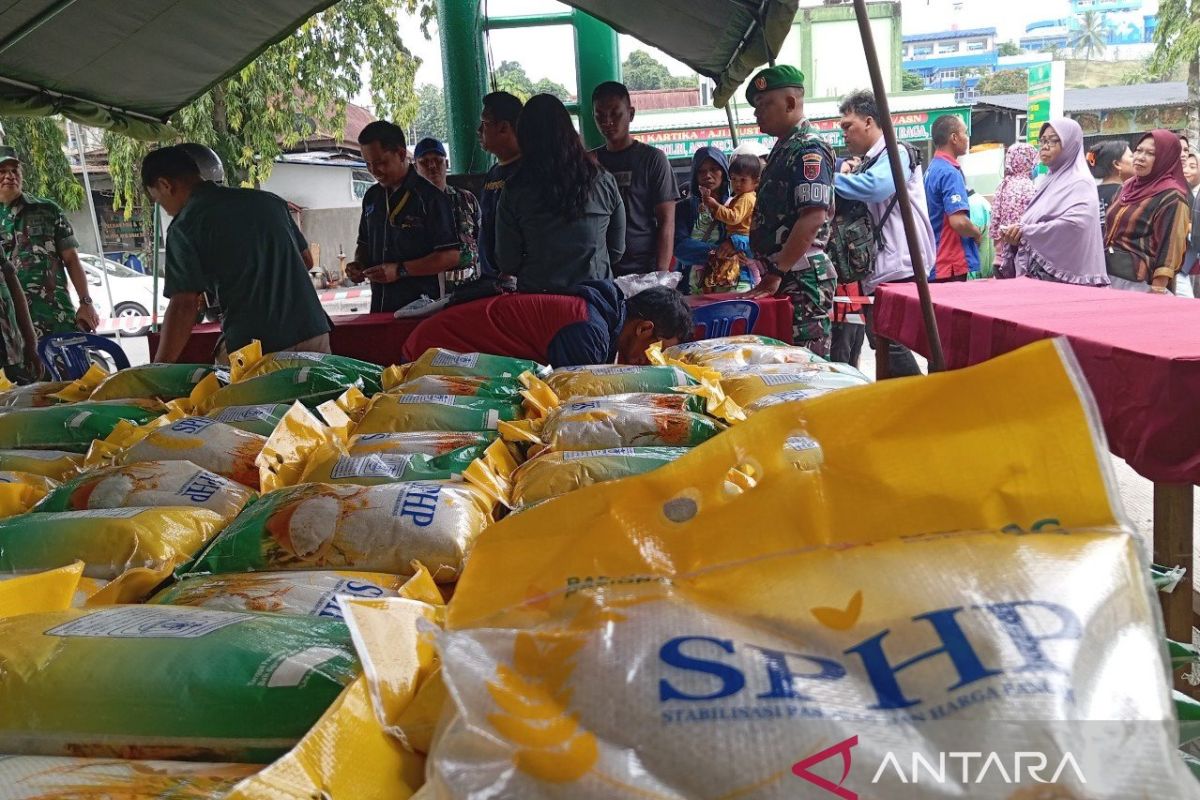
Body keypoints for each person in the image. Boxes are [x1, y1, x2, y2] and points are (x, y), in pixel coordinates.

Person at [141, 145, 331, 362]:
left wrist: (158, 367)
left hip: (257, 346)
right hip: (313, 332)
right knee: (322, 396)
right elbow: (306, 261)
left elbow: (184, 304)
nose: (164, 208)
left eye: (158, 200)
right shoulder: (269, 201)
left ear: (165, 185)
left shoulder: (185, 226)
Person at [832, 88, 935, 377]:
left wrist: (828, 181)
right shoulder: (872, 160)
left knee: (888, 341)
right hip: (885, 267)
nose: (844, 134)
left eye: (847, 126)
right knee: (883, 341)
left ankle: (921, 400)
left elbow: (876, 187)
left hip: (900, 264)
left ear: (868, 121)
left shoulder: (895, 151)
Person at [745, 65, 838, 358]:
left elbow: (812, 217)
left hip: (801, 276)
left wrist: (776, 272)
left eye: (764, 104)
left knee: (806, 368)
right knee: (784, 366)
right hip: (786, 273)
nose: (757, 113)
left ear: (789, 103)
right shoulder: (784, 147)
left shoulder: (808, 148)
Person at [495, 94, 625, 293]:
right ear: (570, 131)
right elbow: (616, 251)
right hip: (595, 302)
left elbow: (507, 262)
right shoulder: (604, 181)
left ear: (524, 137)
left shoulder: (514, 190)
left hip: (538, 305)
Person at [401, 282, 691, 367]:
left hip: (439, 342)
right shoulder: (588, 334)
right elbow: (569, 406)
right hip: (433, 353)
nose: (651, 364)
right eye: (656, 353)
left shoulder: (599, 317)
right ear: (644, 329)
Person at [348, 120, 459, 313]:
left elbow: (450, 256)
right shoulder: (372, 197)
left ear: (400, 154)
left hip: (421, 309)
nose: (374, 171)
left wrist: (400, 270)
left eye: (381, 162)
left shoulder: (429, 197)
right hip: (380, 308)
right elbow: (364, 244)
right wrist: (358, 265)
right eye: (368, 164)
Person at [0, 147, 100, 342]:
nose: (9, 176)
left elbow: (71, 259)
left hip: (54, 314)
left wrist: (86, 303)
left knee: (70, 371)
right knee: (17, 373)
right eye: (2, 171)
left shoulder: (47, 210)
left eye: (14, 170)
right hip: (8, 322)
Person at [997, 119, 1108, 287]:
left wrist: (1026, 233)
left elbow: (1076, 226)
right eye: (1042, 141)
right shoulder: (1049, 180)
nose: (1045, 146)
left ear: (1071, 144)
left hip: (1066, 282)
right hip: (1039, 277)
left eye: (1053, 140)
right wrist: (1017, 234)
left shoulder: (1080, 182)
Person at [591, 81, 678, 275]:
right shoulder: (589, 162)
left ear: (631, 114)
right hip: (600, 270)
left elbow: (667, 221)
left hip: (643, 269)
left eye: (615, 114)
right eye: (600, 116)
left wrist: (660, 276)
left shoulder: (653, 159)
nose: (607, 122)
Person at [1103, 129, 1191, 294]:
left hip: (1138, 284)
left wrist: (1157, 290)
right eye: (1138, 150)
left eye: (1151, 153)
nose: (1140, 157)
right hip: (1108, 275)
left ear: (1166, 159)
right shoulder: (1127, 187)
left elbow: (1170, 249)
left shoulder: (1171, 196)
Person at [413, 137, 481, 293]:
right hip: (429, 290)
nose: (432, 166)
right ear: (415, 167)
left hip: (469, 287)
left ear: (447, 164)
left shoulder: (467, 199)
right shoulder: (411, 205)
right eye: (424, 162)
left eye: (438, 160)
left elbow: (481, 238)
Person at [925, 114, 983, 282]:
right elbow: (958, 222)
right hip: (948, 263)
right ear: (954, 138)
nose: (967, 138)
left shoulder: (932, 169)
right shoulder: (950, 172)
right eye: (965, 133)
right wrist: (976, 233)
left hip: (934, 259)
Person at [477, 91, 523, 277]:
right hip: (492, 277)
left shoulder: (529, 172)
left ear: (504, 128)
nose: (479, 130)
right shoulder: (492, 174)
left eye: (485, 124)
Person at [699, 154, 760, 292]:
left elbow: (733, 217)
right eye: (734, 179)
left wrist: (715, 206)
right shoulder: (738, 197)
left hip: (742, 238)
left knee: (743, 269)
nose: (737, 184)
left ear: (756, 182)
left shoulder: (747, 198)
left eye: (743, 180)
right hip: (736, 239)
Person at [674, 146, 730, 290]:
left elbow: (750, 244)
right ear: (695, 176)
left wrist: (737, 244)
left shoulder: (736, 206)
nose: (708, 175)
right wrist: (719, 252)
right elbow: (680, 247)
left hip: (729, 284)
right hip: (691, 287)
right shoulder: (683, 208)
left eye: (714, 169)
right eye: (701, 171)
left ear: (724, 171)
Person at [1087, 140, 1135, 235]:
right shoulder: (1127, 194)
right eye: (1131, 156)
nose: (1136, 160)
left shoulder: (1090, 193)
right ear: (1117, 164)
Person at [968, 190, 993, 277]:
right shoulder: (981, 201)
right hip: (989, 270)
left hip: (977, 272)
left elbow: (975, 238)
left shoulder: (971, 205)